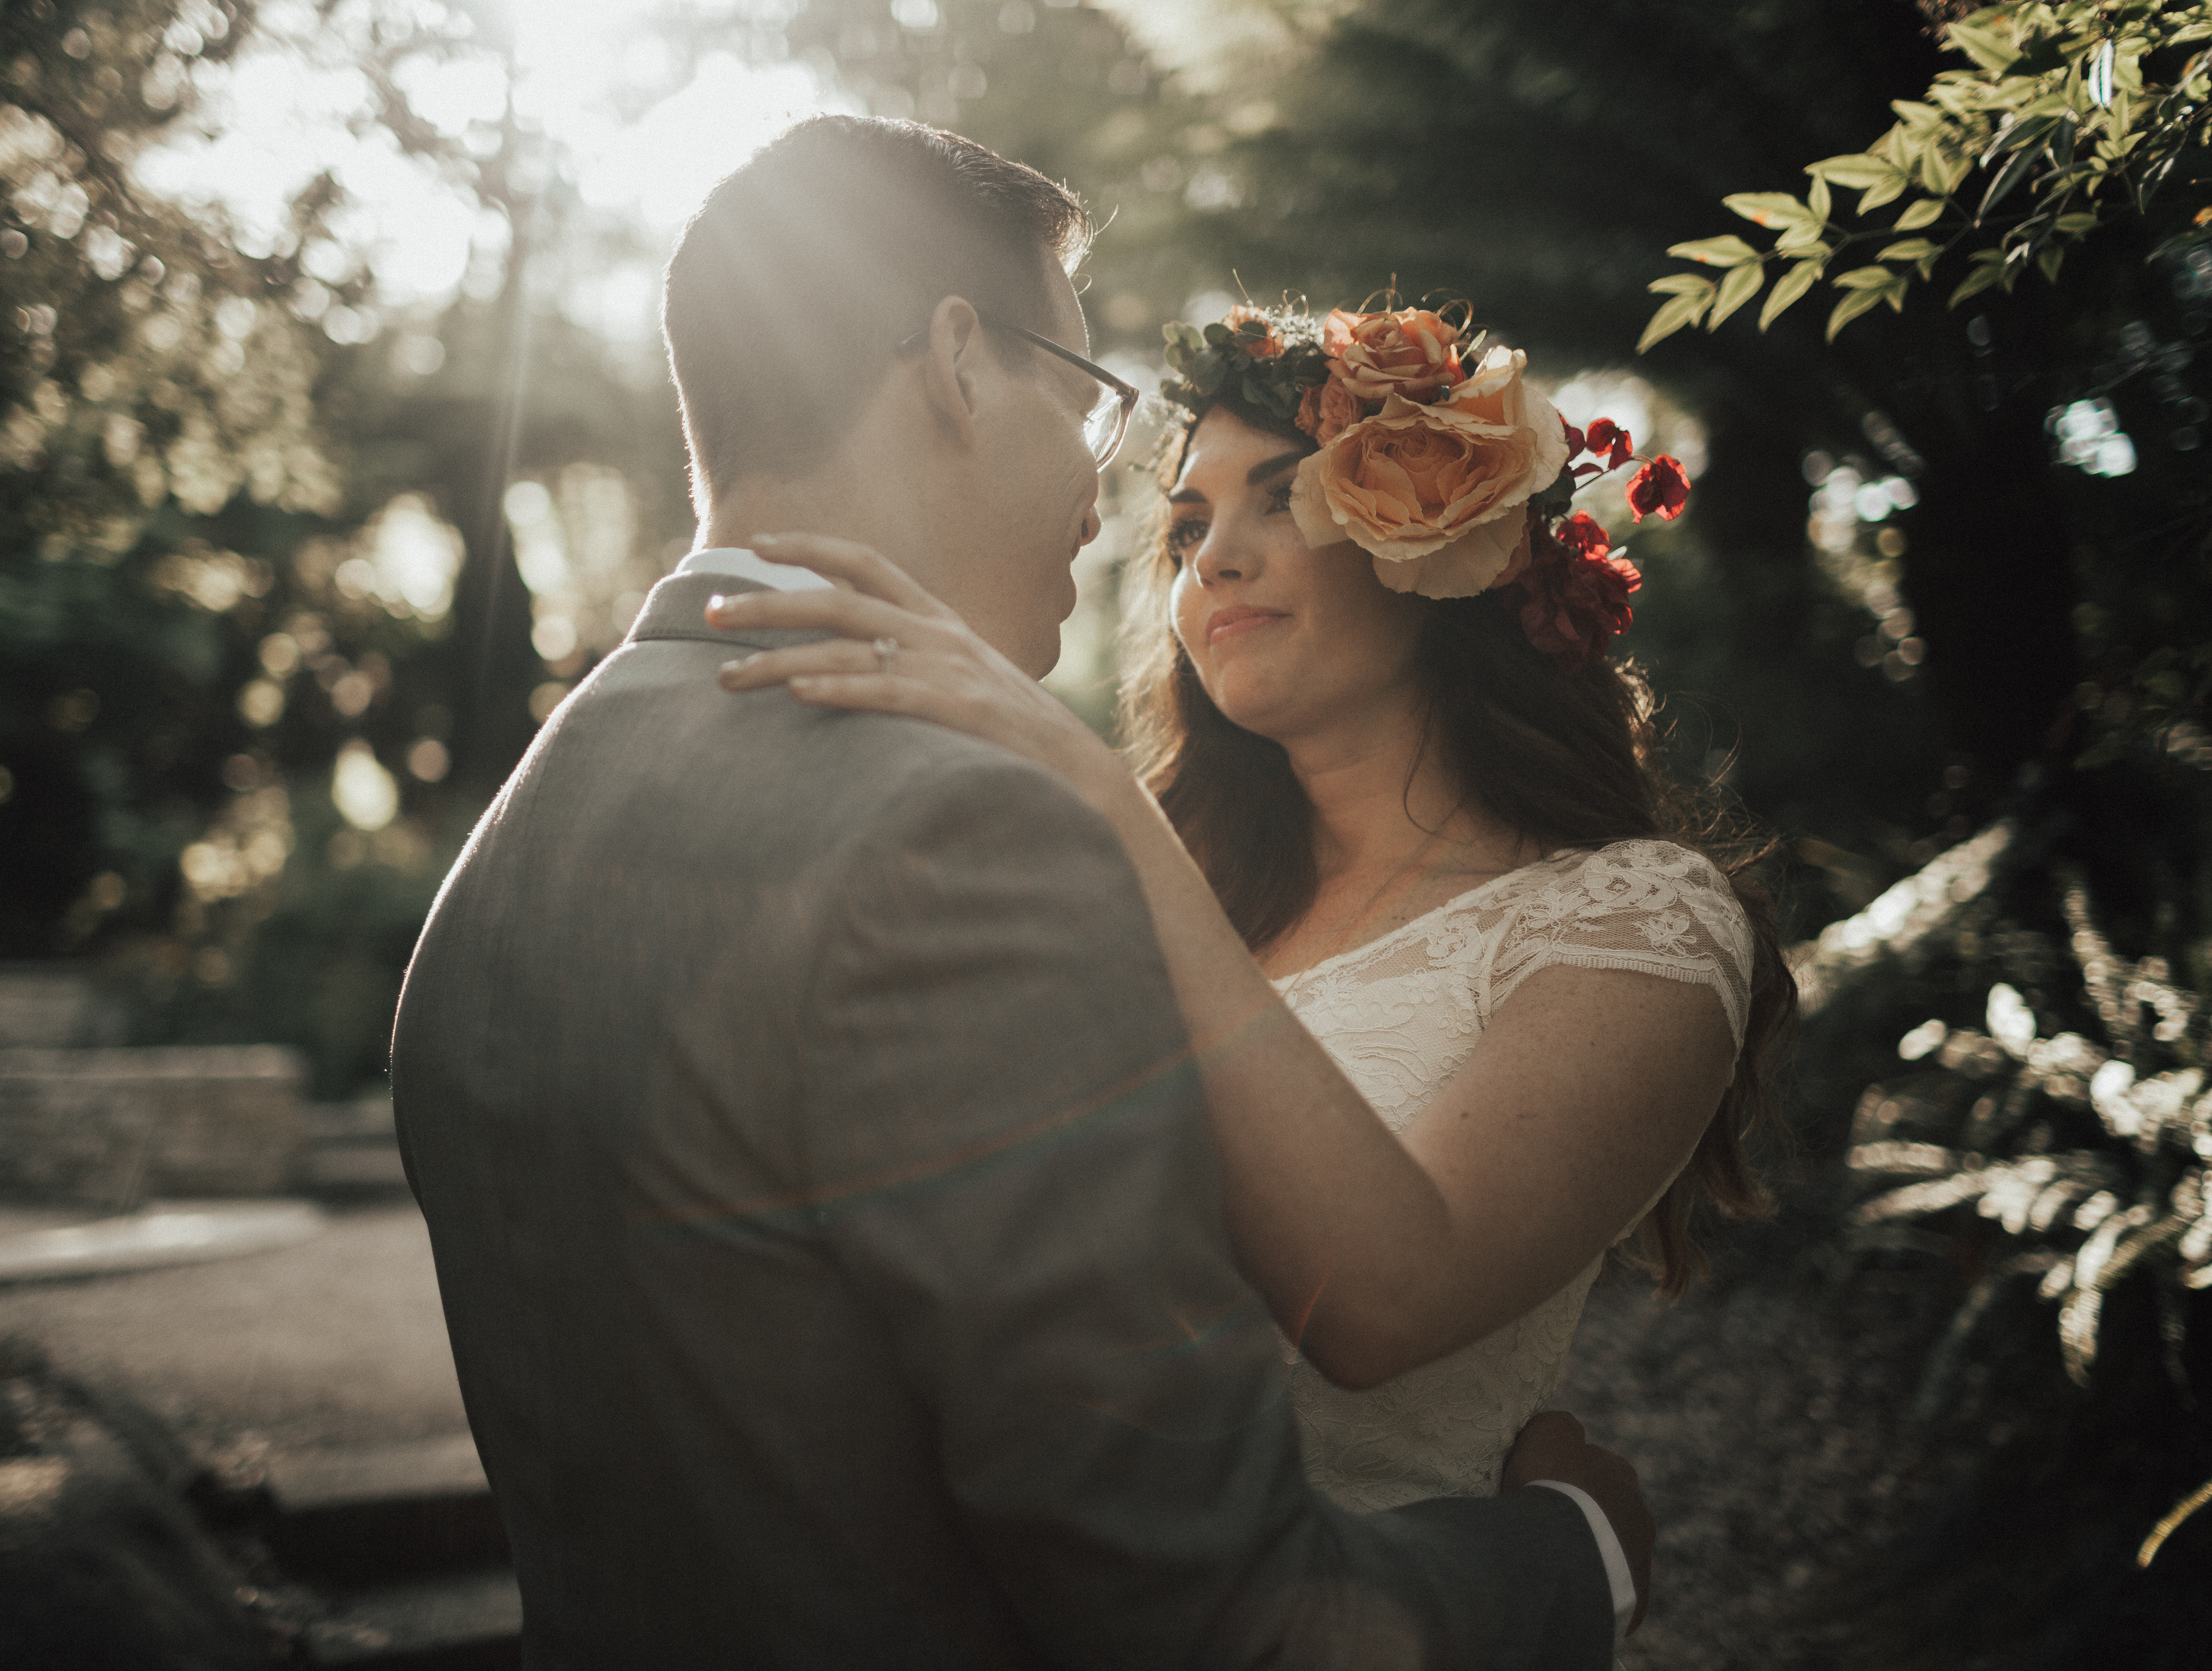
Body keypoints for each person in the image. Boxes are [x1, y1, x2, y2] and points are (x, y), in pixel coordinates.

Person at [391, 117, 1647, 1668]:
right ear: (960, 361)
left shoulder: (516, 846)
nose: (1107, 498)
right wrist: (1571, 1555)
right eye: (1092, 405)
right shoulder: (955, 841)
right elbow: (1231, 1635)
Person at [710, 296, 1796, 1522]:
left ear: (1443, 537)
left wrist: (1092, 798)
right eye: (1185, 528)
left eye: (1282, 498)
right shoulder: (1136, 907)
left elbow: (1387, 1301)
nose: (1213, 557)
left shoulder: (1633, 918)